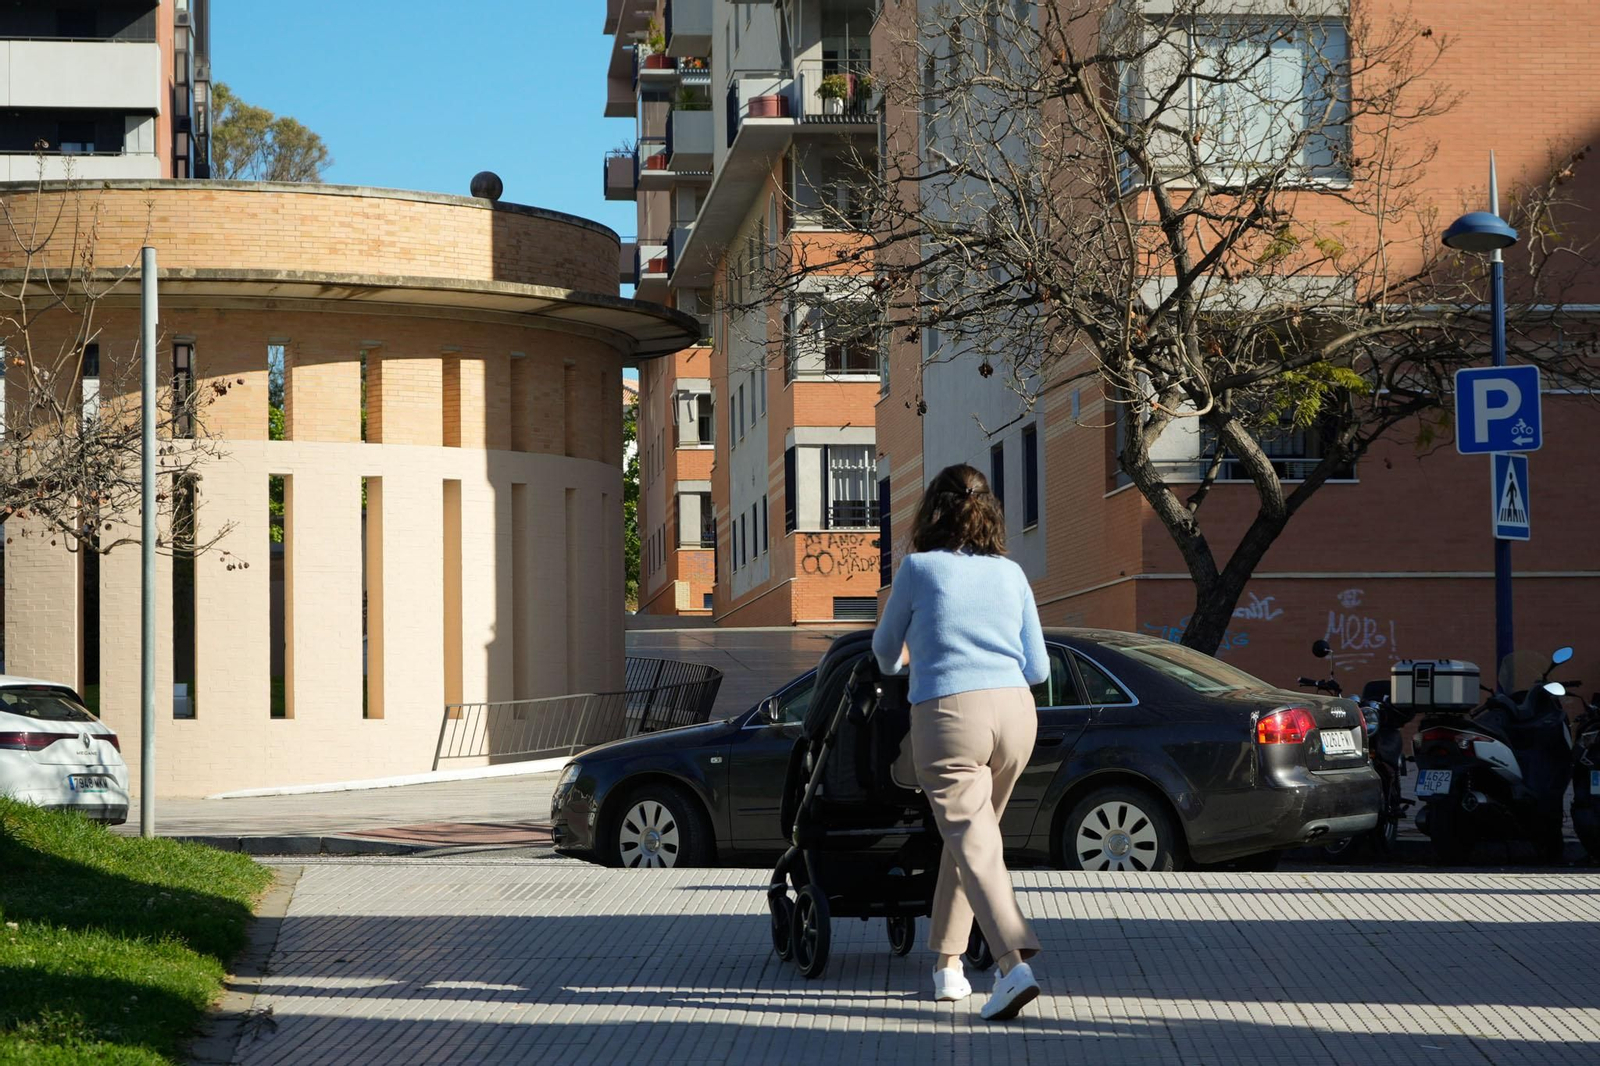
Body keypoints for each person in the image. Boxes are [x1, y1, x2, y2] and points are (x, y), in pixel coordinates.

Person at [872, 462, 1048, 1021]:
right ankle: (948, 967)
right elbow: (1039, 667)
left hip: (951, 714)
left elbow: (882, 651)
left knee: (975, 844)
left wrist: (913, 658)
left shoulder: (919, 569)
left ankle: (1012, 966)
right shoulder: (1011, 572)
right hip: (1017, 713)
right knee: (971, 842)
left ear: (932, 511)